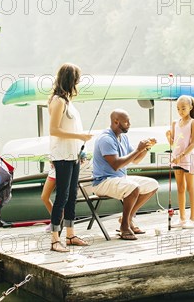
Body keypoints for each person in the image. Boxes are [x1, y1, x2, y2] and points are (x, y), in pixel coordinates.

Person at [93, 109, 159, 240]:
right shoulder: (106, 139)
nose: (129, 123)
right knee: (133, 187)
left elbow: (135, 160)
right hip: (103, 182)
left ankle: (127, 219)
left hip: (119, 179)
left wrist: (146, 148)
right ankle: (124, 227)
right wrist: (138, 149)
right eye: (126, 121)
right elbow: (116, 165)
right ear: (116, 122)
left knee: (153, 184)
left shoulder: (123, 137)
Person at [49, 62, 94, 252]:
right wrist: (80, 137)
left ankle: (70, 235)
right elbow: (54, 130)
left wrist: (80, 149)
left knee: (72, 196)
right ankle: (54, 240)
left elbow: (70, 127)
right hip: (62, 156)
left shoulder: (67, 101)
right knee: (62, 196)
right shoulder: (58, 101)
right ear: (70, 80)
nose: (78, 82)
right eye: (77, 79)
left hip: (74, 155)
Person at [166, 95, 194, 229]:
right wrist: (168, 137)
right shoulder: (175, 123)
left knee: (190, 188)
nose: (180, 111)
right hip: (176, 159)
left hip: (187, 158)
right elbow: (174, 143)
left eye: (183, 108)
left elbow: (193, 144)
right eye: (178, 108)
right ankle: (182, 218)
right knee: (180, 188)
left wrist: (181, 156)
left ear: (190, 108)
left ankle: (192, 219)